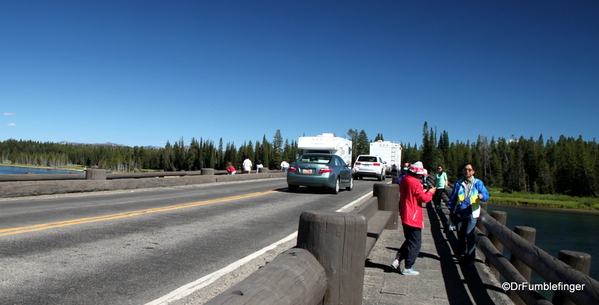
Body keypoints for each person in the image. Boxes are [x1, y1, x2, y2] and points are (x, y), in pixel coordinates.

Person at [391, 161, 436, 275]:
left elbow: (414, 194)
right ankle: (408, 266)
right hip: (413, 215)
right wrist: (430, 193)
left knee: (410, 239)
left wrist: (423, 191)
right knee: (415, 242)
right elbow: (423, 199)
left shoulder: (405, 180)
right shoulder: (415, 183)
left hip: (405, 212)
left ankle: (397, 260)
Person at [447, 163, 489, 266]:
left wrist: (481, 196)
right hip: (459, 213)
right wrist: (451, 212)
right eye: (465, 169)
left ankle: (470, 258)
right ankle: (462, 254)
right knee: (461, 235)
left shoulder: (477, 183)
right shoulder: (458, 183)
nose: (467, 171)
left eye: (469, 170)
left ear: (473, 172)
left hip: (471, 212)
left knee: (469, 235)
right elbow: (453, 199)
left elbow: (486, 195)